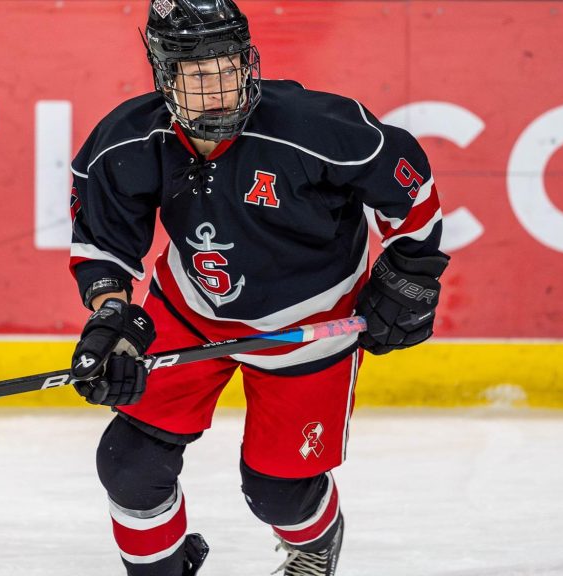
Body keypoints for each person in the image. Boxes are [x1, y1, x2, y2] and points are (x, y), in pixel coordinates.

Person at [66, 1, 450, 575]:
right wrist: (112, 318)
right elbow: (103, 245)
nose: (218, 86)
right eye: (197, 74)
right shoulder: (128, 142)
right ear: (165, 77)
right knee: (129, 464)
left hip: (310, 328)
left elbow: (409, 187)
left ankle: (316, 543)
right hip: (190, 310)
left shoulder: (315, 128)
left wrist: (411, 274)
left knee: (278, 492)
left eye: (227, 66)